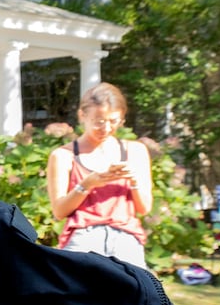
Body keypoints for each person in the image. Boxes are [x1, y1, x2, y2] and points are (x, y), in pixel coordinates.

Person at [45, 82, 153, 269]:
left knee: (137, 296)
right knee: (78, 297)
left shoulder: (135, 151)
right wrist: (87, 184)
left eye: (114, 121)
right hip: (83, 237)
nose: (106, 128)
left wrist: (134, 180)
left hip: (126, 238)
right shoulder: (63, 155)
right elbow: (59, 211)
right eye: (99, 121)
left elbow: (144, 209)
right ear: (82, 115)